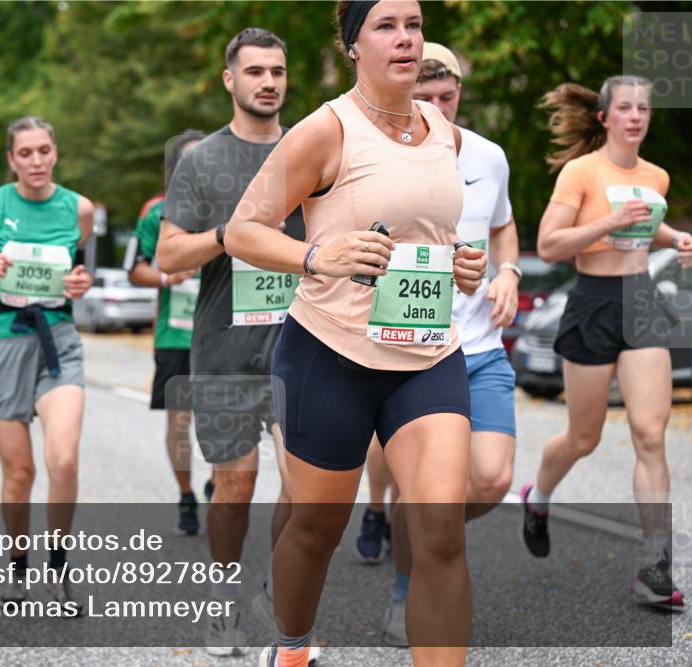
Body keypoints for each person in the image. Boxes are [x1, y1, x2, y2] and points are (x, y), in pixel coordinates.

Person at [222, 2, 489, 665]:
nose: (405, 39)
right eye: (385, 27)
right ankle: (291, 648)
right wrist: (317, 255)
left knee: (440, 531)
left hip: (428, 354)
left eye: (413, 25)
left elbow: (429, 234)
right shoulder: (326, 130)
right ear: (353, 46)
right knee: (316, 528)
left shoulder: (444, 132)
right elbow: (243, 231)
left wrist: (462, 263)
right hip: (330, 353)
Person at [157, 28, 312, 659]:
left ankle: (280, 599)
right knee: (237, 485)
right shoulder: (201, 161)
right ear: (230, 80)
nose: (268, 82)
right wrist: (227, 234)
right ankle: (222, 605)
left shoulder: (309, 150)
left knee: (305, 488)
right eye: (255, 71)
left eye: (277, 71)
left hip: (301, 347)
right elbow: (168, 255)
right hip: (224, 352)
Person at [361, 42, 522, 646]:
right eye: (422, 95)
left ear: (459, 94)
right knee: (424, 492)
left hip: (479, 348)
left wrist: (510, 272)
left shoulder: (488, 157)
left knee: (490, 481)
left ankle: (426, 533)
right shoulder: (375, 154)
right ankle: (410, 589)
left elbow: (503, 224)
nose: (434, 106)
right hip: (410, 352)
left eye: (445, 96)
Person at [521, 74, 691, 610]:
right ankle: (538, 497)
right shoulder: (581, 172)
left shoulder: (656, 176)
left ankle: (655, 566)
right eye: (625, 108)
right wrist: (607, 222)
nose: (636, 116)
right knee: (584, 437)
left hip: (641, 302)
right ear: (604, 117)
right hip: (592, 302)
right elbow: (550, 244)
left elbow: (648, 226)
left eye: (644, 108)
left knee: (650, 435)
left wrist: (677, 238)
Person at [0, 116, 94, 610]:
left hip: (58, 340)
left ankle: (58, 570)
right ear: (11, 160)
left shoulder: (79, 209)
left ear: (56, 153)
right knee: (20, 473)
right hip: (1, 342)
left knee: (63, 459)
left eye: (44, 151)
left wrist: (80, 285)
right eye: (25, 153)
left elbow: (80, 274)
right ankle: (17, 569)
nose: (36, 161)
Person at [126, 129, 206, 536]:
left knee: (226, 417)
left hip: (222, 333)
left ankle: (222, 479)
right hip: (175, 336)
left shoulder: (234, 206)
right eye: (189, 158)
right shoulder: (156, 211)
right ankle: (186, 494)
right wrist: (166, 277)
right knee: (180, 421)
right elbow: (134, 269)